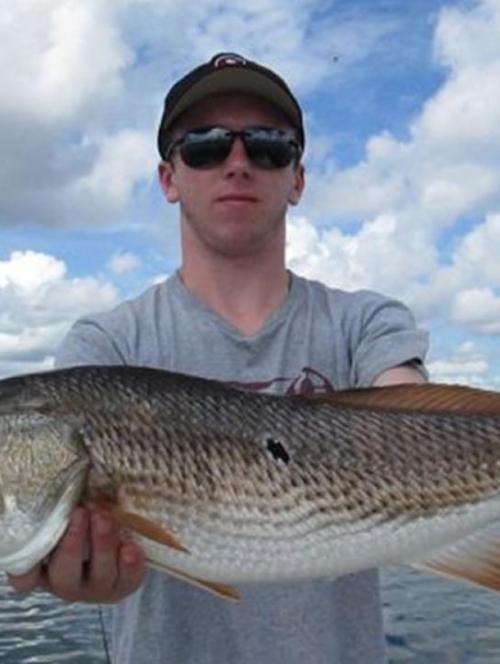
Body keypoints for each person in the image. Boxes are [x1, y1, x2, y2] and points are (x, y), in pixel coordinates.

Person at [9, 52, 428, 663]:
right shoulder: (106, 345)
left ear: (298, 179)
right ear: (169, 178)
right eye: (204, 146)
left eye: (268, 146)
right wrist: (92, 573)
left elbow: (415, 414)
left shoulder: (363, 321)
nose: (237, 162)